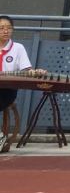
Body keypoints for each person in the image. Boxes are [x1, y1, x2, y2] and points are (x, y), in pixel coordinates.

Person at [0, 15, 36, 151]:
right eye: (1, 28)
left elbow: (26, 69)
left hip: (7, 90)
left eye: (9, 28)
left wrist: (32, 71)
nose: (5, 31)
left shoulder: (18, 48)